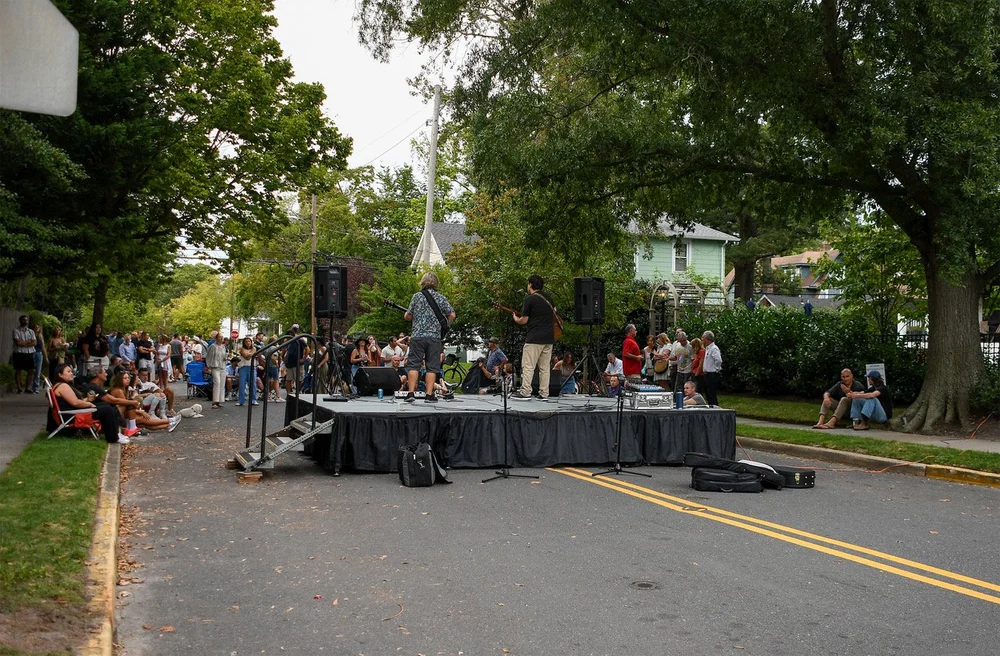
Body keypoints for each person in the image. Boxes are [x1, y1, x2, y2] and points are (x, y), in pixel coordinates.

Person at [403, 271, 456, 403]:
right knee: (432, 366)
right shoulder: (440, 298)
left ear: (422, 282)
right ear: (436, 283)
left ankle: (410, 393)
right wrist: (444, 325)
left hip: (417, 336)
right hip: (433, 337)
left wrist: (409, 316)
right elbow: (452, 314)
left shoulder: (416, 297)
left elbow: (408, 316)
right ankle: (429, 395)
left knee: (414, 364)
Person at [48, 363, 129, 443]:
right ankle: (113, 438)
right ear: (60, 375)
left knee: (106, 405)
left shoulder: (60, 385)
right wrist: (89, 404)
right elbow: (75, 403)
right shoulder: (63, 386)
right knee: (107, 409)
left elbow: (73, 402)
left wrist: (87, 400)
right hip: (72, 416)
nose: (71, 373)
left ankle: (116, 433)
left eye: (71, 371)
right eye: (68, 372)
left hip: (73, 413)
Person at [510, 273, 556, 400]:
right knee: (545, 368)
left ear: (530, 284)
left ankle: (525, 392)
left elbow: (524, 320)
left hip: (534, 337)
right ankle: (544, 393)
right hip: (549, 338)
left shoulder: (529, 299)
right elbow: (555, 312)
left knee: (528, 365)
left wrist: (515, 319)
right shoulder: (549, 298)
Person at [107, 370, 177, 433]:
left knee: (144, 424)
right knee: (144, 420)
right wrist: (141, 412)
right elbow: (126, 405)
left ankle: (169, 425)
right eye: (125, 378)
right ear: (119, 380)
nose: (128, 380)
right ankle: (170, 421)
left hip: (125, 415)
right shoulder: (118, 391)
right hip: (120, 416)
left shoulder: (126, 389)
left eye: (128, 378)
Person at [11, 315, 36, 394]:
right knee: (18, 370)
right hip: (19, 353)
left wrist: (23, 343)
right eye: (23, 320)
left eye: (26, 320)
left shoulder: (31, 331)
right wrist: (28, 341)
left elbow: (34, 342)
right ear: (20, 320)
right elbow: (17, 342)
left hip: (29, 353)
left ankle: (27, 387)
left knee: (31, 370)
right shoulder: (16, 330)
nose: (25, 321)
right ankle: (19, 387)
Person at [203, 335, 228, 409]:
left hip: (222, 366)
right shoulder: (213, 346)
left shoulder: (223, 347)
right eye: (220, 337)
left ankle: (220, 400)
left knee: (222, 383)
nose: (221, 339)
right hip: (215, 367)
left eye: (222, 337)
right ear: (216, 338)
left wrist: (225, 358)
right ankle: (214, 401)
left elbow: (224, 356)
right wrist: (209, 366)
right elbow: (209, 356)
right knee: (217, 382)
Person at [701, 330, 722, 406]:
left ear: (707, 339)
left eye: (703, 337)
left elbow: (718, 360)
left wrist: (715, 369)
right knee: (708, 394)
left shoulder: (714, 348)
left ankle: (715, 408)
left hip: (712, 374)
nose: (702, 339)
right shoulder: (708, 348)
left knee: (712, 394)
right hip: (707, 374)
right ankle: (710, 406)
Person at [236, 337, 258, 406]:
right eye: (246, 342)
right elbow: (247, 357)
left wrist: (248, 354)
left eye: (249, 341)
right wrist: (250, 354)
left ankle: (253, 400)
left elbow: (247, 356)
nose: (248, 343)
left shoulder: (254, 348)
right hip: (243, 367)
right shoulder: (242, 349)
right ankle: (241, 400)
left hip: (252, 367)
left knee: (253, 384)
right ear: (244, 343)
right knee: (242, 384)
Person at [284, 325, 305, 395]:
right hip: (289, 363)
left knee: (298, 379)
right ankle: (289, 393)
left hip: (297, 363)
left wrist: (303, 358)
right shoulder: (288, 342)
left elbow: (307, 349)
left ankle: (298, 392)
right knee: (288, 379)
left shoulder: (299, 340)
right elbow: (285, 350)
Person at [30, 322, 47, 393]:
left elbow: (43, 347)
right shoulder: (30, 335)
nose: (37, 329)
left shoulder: (40, 336)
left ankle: (35, 387)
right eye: (36, 327)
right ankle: (29, 387)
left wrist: (46, 357)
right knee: (31, 370)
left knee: (38, 371)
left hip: (39, 353)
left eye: (38, 327)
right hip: (31, 353)